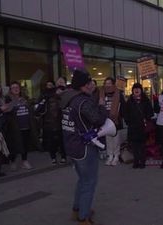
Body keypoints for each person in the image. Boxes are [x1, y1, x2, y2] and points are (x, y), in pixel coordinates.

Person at [61, 70, 107, 225]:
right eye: (89, 83)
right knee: (89, 181)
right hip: (85, 147)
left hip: (71, 145)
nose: (91, 85)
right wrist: (101, 105)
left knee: (82, 180)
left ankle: (77, 210)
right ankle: (83, 217)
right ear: (83, 85)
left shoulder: (68, 98)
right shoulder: (82, 102)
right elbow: (99, 120)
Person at [5, 81, 39, 170]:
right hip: (15, 127)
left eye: (17, 87)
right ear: (10, 90)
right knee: (14, 144)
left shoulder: (25, 98)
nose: (15, 89)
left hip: (26, 125)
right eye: (13, 87)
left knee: (25, 144)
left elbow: (31, 109)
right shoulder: (8, 99)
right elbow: (7, 110)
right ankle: (13, 161)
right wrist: (15, 101)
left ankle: (24, 161)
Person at [36, 79, 67, 164]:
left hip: (60, 120)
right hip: (49, 121)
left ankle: (63, 156)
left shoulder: (61, 94)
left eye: (50, 85)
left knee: (61, 140)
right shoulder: (44, 96)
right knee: (51, 141)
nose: (49, 87)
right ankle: (53, 156)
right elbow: (38, 109)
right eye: (47, 85)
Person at [124, 83, 154, 169]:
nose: (136, 90)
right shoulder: (129, 101)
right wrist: (128, 122)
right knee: (134, 145)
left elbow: (150, 112)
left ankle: (142, 161)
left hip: (142, 126)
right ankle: (136, 161)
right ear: (132, 90)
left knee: (142, 145)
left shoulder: (145, 100)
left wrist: (146, 118)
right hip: (133, 126)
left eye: (138, 89)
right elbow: (126, 113)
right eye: (135, 89)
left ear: (141, 90)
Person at [98, 77, 125, 166]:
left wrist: (119, 116)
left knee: (116, 138)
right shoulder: (101, 93)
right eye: (106, 83)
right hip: (105, 119)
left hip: (115, 119)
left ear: (113, 84)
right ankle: (110, 155)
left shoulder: (118, 93)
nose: (107, 85)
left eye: (109, 83)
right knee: (108, 138)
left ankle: (116, 155)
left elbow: (123, 106)